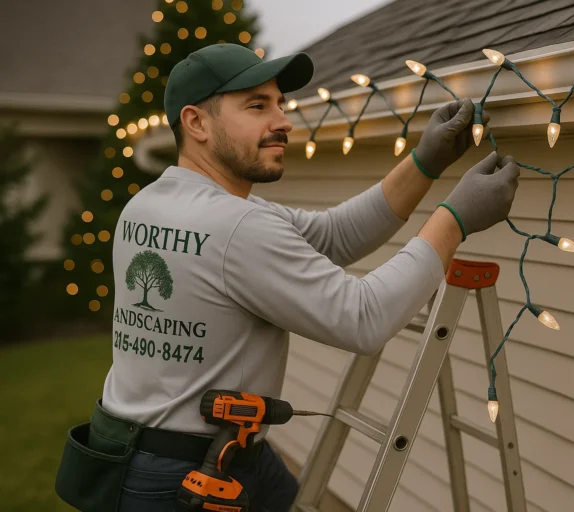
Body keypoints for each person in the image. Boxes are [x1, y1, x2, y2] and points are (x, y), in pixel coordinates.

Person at [54, 43, 520, 512]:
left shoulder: (152, 204)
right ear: (195, 123)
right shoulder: (236, 226)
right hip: (189, 476)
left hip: (155, 447)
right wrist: (455, 219)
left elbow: (334, 236)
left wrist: (424, 163)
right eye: (257, 106)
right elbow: (363, 319)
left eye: (280, 104)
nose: (283, 121)